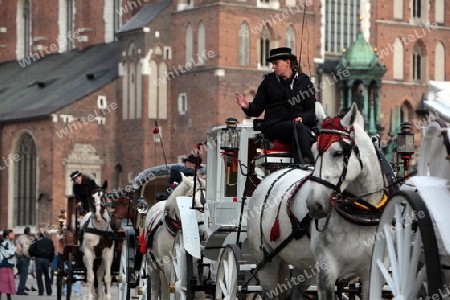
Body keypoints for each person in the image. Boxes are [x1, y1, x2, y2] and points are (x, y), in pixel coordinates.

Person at [235, 47, 316, 164]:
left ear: (288, 63)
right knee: (298, 129)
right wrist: (247, 106)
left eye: (276, 63)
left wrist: (302, 118)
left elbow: (311, 112)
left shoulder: (305, 82)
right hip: (275, 125)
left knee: (305, 130)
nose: (273, 67)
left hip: (299, 126)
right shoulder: (268, 83)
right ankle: (304, 166)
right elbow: (257, 109)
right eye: (273, 64)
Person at [28, 227, 54, 296]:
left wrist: (33, 255)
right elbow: (52, 251)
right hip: (46, 259)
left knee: (39, 276)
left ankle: (41, 291)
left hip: (39, 259)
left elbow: (31, 249)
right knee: (47, 276)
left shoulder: (37, 240)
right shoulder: (49, 241)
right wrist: (51, 260)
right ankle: (49, 291)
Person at [0, 229, 19, 300]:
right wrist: (15, 249)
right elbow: (7, 254)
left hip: (8, 265)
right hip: (4, 265)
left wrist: (15, 251)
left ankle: (9, 298)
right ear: (7, 236)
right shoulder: (5, 244)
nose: (13, 235)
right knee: (3, 282)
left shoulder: (10, 243)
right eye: (11, 234)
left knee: (7, 283)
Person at [16, 227, 32, 295]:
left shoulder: (19, 238)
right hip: (24, 257)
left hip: (19, 257)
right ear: (28, 232)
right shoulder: (25, 239)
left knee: (22, 274)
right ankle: (20, 290)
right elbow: (25, 250)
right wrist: (30, 256)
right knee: (24, 275)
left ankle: (21, 288)